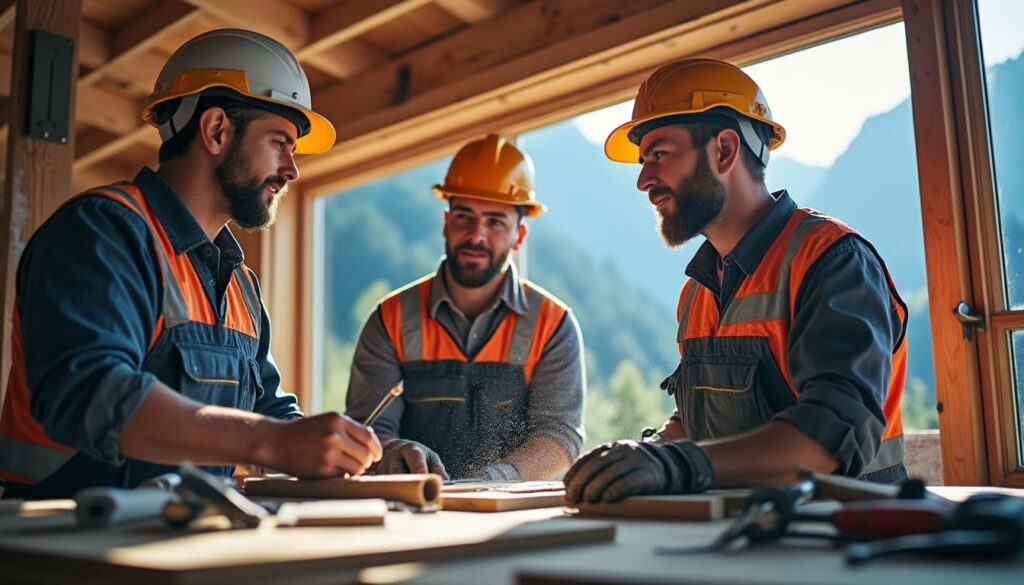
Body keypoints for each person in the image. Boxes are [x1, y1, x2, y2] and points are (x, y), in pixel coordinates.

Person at [0, 29, 382, 499]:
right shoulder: (102, 232)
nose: (291, 169)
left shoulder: (239, 283)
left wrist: (356, 452)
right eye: (279, 143)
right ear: (216, 130)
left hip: (178, 545)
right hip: (61, 545)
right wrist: (272, 441)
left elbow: (267, 411)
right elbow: (94, 393)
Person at [564, 58, 907, 504]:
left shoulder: (832, 261)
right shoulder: (697, 292)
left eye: (659, 155)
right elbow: (701, 419)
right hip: (745, 538)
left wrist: (678, 465)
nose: (643, 180)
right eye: (644, 160)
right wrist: (645, 454)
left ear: (724, 151)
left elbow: (830, 438)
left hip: (850, 544)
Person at [345, 134, 585, 481]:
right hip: (408, 511)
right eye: (464, 216)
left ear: (519, 237)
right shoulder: (390, 318)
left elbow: (559, 437)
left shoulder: (553, 325)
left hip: (506, 519)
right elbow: (368, 426)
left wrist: (490, 482)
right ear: (446, 222)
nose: (476, 235)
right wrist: (391, 452)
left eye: (495, 222)